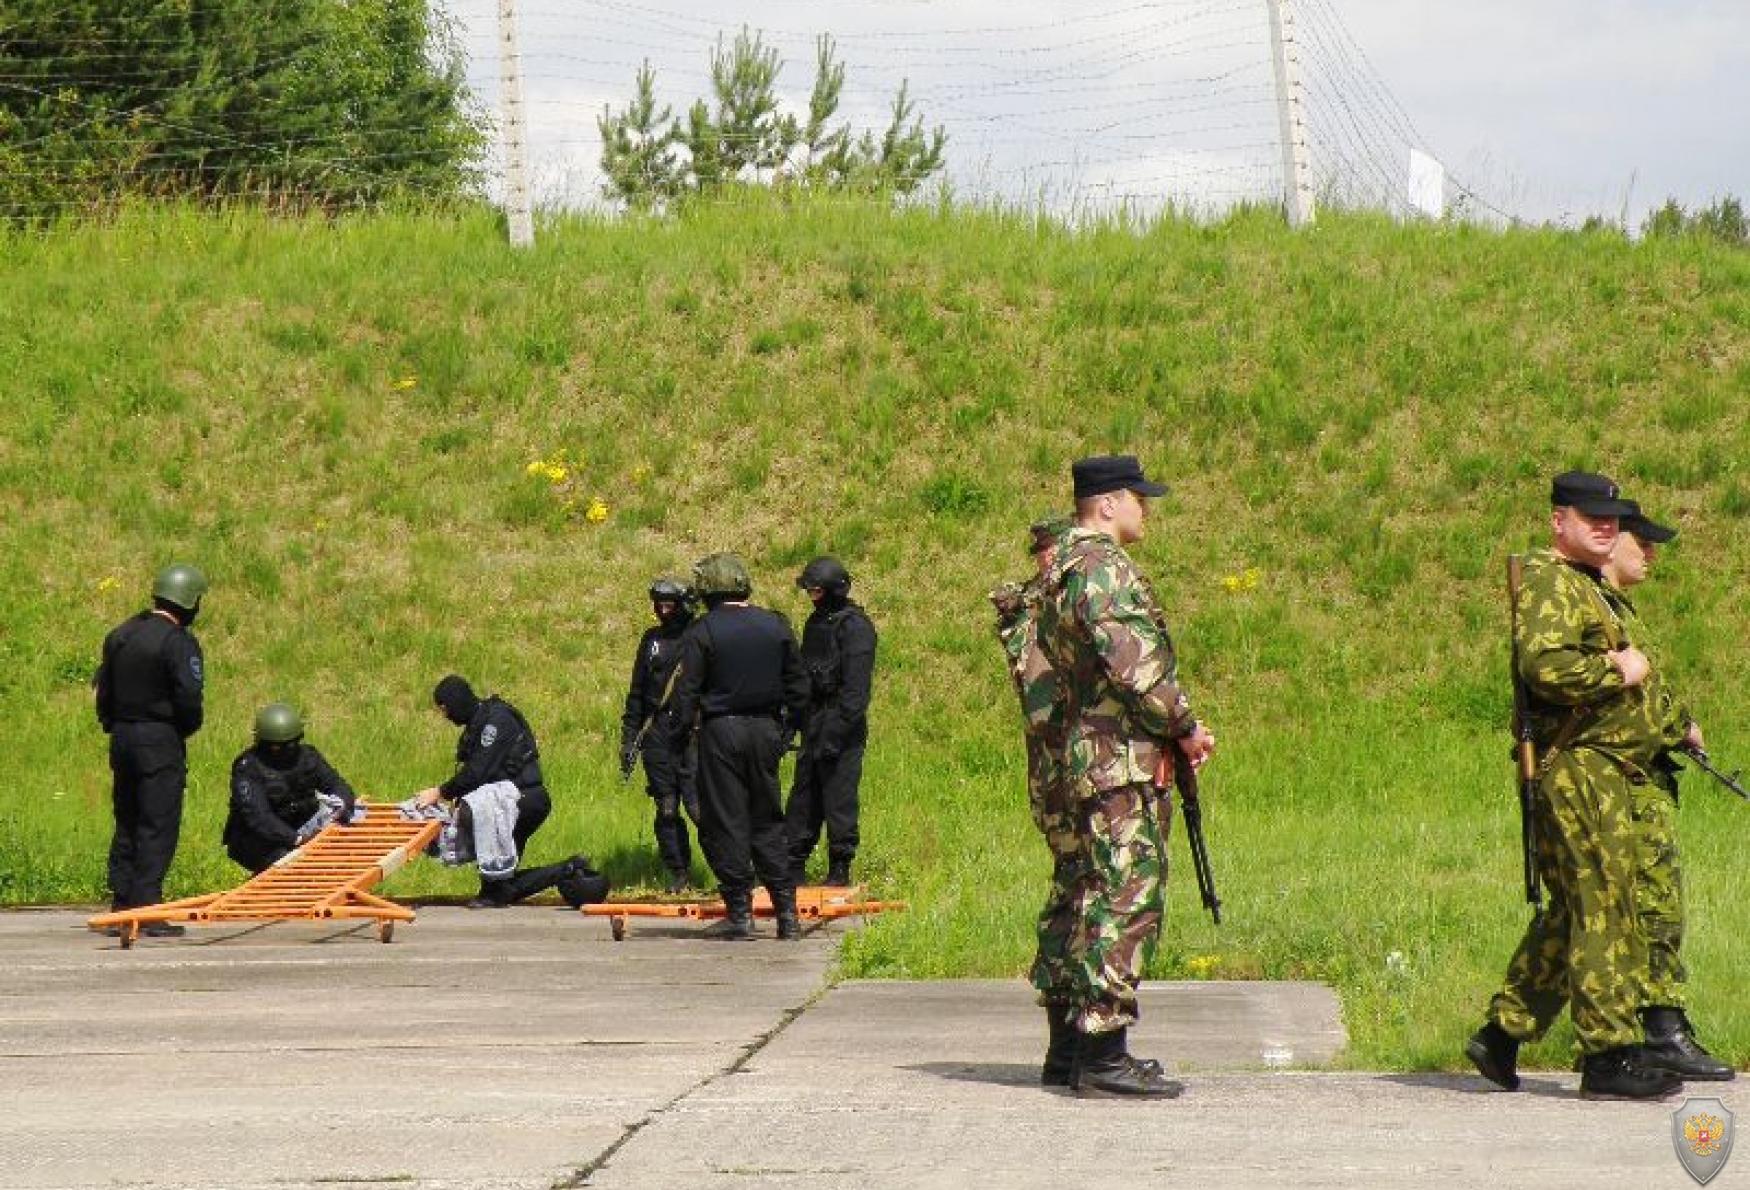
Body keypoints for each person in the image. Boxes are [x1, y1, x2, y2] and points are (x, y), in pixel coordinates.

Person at [1465, 471, 1685, 1101]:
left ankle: (1503, 1033)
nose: (1606, 525)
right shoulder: (1553, 581)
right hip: (1582, 766)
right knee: (1603, 906)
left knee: (1575, 909)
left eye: (1612, 516)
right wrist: (1616, 669)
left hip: (1603, 767)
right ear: (1558, 520)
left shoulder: (1585, 585)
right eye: (1592, 515)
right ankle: (1608, 1053)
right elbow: (1547, 666)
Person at [1035, 456, 1216, 1099]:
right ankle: (1104, 1053)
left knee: (1085, 894)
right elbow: (1134, 665)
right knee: (1126, 896)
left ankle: (1073, 1051)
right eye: (1140, 497)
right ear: (1108, 503)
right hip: (1119, 761)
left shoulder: (1058, 566)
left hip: (1083, 758)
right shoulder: (1102, 567)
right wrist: (1186, 724)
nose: (1147, 508)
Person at [1599, 503, 1733, 1081]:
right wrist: (1677, 727)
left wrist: (1679, 723)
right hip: (1621, 779)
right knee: (1648, 905)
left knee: (1647, 904)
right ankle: (1659, 1031)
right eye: (1642, 541)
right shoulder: (1595, 610)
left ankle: (1656, 1027)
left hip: (1643, 776)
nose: (1650, 553)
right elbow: (1619, 702)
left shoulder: (1616, 608)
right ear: (1610, 542)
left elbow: (1647, 693)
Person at [658, 553, 811, 941]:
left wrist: (676, 740)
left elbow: (687, 692)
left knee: (726, 821)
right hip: (765, 730)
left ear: (707, 589)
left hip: (721, 732)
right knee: (768, 819)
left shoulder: (702, 631)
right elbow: (799, 686)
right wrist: (787, 730)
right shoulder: (775, 625)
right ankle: (787, 915)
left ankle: (740, 913)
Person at [992, 515, 1084, 1086]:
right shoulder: (1038, 612)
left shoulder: (1054, 606)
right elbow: (1046, 703)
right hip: (1065, 778)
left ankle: (1071, 1048)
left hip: (1068, 773)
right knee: (1079, 894)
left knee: (1076, 892)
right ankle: (1073, 1044)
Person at [93, 563, 208, 936]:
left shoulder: (121, 634)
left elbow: (104, 691)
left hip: (122, 738)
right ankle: (147, 907)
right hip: (159, 740)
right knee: (157, 823)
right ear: (188, 601)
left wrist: (114, 724)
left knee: (127, 818)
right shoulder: (178, 643)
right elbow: (189, 699)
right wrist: (179, 731)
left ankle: (122, 903)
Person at [412, 676, 573, 907]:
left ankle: (567, 870)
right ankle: (568, 869)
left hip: (525, 801)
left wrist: (439, 792)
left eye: (445, 709)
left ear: (455, 703)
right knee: (498, 889)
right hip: (510, 803)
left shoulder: (495, 722)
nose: (446, 716)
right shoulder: (476, 725)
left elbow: (477, 772)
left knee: (496, 887)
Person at [785, 556, 878, 887]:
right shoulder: (816, 623)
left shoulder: (856, 628)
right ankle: (792, 864)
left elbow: (856, 692)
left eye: (816, 591)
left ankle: (840, 867)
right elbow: (803, 677)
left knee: (838, 797)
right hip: (814, 717)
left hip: (842, 721)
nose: (812, 597)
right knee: (803, 797)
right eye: (810, 591)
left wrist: (835, 734)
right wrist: (794, 721)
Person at [620, 576, 701, 893]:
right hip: (656, 734)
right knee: (667, 809)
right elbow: (637, 693)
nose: (664, 611)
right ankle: (679, 873)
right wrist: (629, 738)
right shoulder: (651, 640)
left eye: (670, 605)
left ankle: (731, 873)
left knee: (698, 808)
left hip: (693, 734)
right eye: (659, 605)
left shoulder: (698, 636)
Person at [222, 703, 358, 874]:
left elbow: (337, 784)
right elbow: (258, 818)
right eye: (276, 746)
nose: (283, 751)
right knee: (295, 866)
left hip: (303, 831)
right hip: (257, 840)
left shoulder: (308, 758)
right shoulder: (249, 768)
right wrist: (296, 839)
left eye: (289, 744)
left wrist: (340, 805)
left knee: (346, 849)